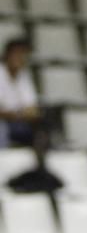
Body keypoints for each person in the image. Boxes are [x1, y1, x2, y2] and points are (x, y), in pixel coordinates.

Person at [0, 38, 62, 193]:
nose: (21, 59)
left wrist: (19, 114)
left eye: (24, 55)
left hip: (17, 124)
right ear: (8, 55)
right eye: (18, 54)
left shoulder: (23, 77)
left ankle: (40, 170)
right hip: (4, 125)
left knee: (43, 125)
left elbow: (31, 108)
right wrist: (19, 113)